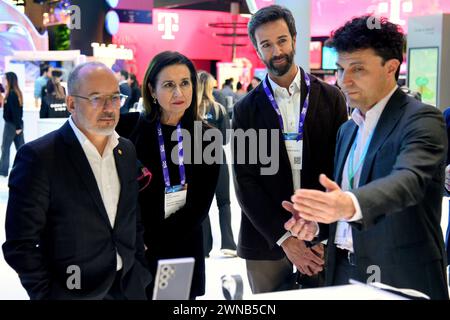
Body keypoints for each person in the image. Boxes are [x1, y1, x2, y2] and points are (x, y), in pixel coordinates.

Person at [284, 15, 449, 299]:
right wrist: (320, 222)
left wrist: (346, 204)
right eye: (340, 69)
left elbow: (407, 182)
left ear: (391, 68)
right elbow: (347, 204)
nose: (344, 81)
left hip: (400, 279)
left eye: (358, 69)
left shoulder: (422, 120)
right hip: (343, 273)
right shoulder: (347, 130)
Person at [2, 62, 152, 299]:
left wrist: (140, 270)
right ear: (71, 103)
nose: (109, 108)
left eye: (114, 97)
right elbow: (21, 243)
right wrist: (49, 295)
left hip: (128, 287)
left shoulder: (126, 150)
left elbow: (132, 218)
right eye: (96, 98)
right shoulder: (39, 157)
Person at [232, 5, 348, 294]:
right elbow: (246, 181)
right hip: (265, 238)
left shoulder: (331, 98)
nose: (276, 50)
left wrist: (323, 231)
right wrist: (285, 238)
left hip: (319, 234)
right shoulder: (246, 109)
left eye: (282, 40)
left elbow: (340, 168)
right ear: (258, 51)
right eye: (266, 44)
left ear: (294, 39)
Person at [116, 51, 219, 299]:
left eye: (185, 83)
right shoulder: (127, 128)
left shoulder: (206, 137)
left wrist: (150, 240)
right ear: (151, 89)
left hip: (180, 250)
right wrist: (136, 240)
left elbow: (198, 208)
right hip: (132, 250)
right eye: (168, 85)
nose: (178, 93)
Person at [198, 71, 237, 257]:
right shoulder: (219, 109)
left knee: (201, 205)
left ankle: (204, 247)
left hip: (196, 160)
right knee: (224, 202)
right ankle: (228, 245)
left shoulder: (189, 111)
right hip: (218, 158)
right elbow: (225, 139)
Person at [0, 72, 25, 177]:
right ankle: (26, 168)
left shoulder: (11, 94)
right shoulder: (15, 93)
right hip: (16, 124)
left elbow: (15, 112)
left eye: (4, 79)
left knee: (6, 147)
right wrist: (19, 126)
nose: (3, 80)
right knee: (21, 148)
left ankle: (3, 171)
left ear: (9, 80)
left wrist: (18, 127)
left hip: (12, 125)